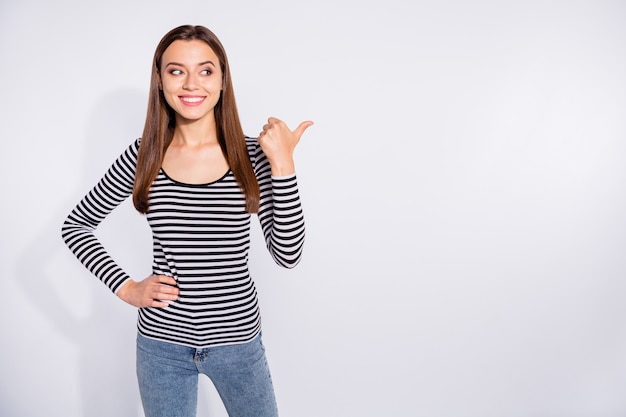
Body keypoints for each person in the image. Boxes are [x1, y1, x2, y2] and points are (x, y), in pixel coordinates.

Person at [61, 24, 312, 417]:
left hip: (237, 344)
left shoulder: (252, 154)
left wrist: (283, 165)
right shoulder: (145, 153)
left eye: (206, 70)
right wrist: (127, 288)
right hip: (161, 346)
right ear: (160, 80)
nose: (191, 83)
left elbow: (287, 254)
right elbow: (76, 225)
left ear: (223, 80)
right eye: (176, 70)